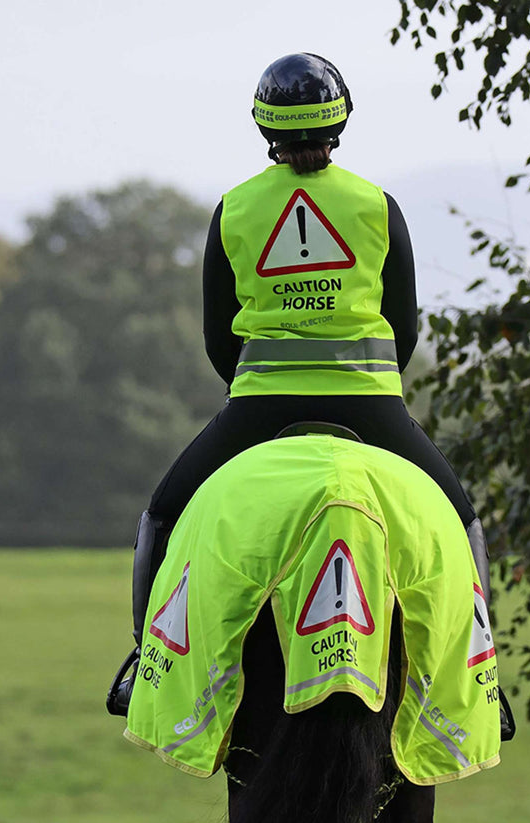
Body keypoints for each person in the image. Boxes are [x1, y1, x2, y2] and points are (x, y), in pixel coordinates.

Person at [129, 51, 492, 677]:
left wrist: (254, 383)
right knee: (461, 520)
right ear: (341, 121)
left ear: (264, 126)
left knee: (163, 517)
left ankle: (143, 663)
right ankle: (480, 670)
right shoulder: (378, 206)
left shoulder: (235, 210)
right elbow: (404, 331)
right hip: (372, 406)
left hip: (259, 408)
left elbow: (220, 339)